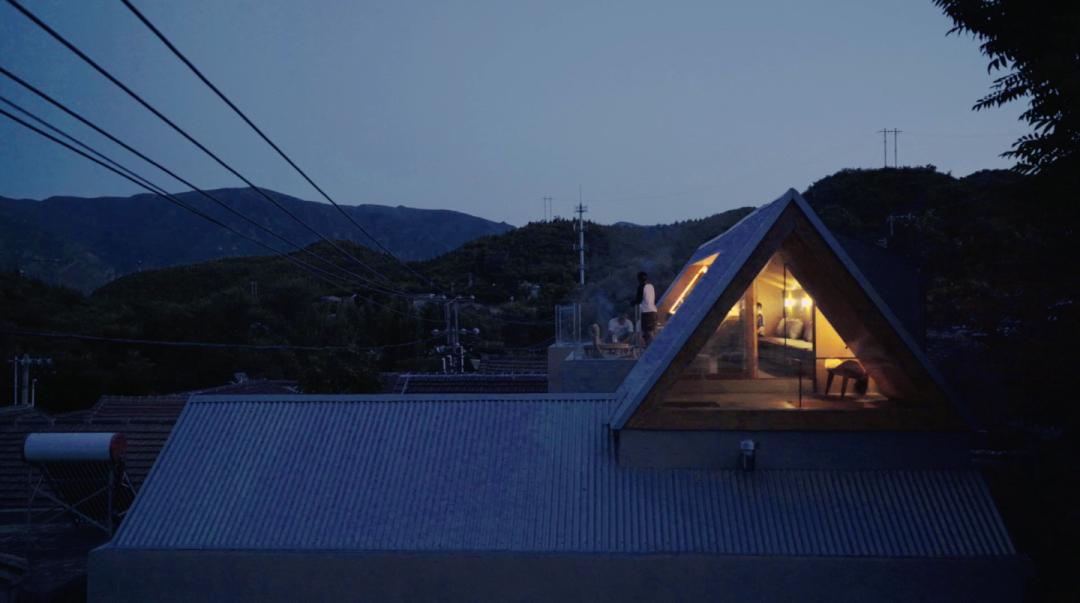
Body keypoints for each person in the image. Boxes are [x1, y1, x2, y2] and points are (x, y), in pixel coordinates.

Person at [636, 271, 657, 345]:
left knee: (649, 332)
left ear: (639, 279)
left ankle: (654, 347)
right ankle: (649, 346)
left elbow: (638, 300)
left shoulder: (641, 287)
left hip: (646, 312)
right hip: (653, 311)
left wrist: (632, 302)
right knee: (649, 332)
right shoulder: (651, 286)